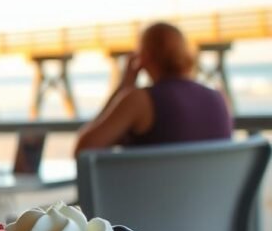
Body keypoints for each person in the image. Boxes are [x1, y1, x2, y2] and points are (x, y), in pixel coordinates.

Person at [75, 22, 233, 154]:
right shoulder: (219, 98)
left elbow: (83, 150)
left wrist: (123, 87)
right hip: (213, 192)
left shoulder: (139, 101)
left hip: (150, 192)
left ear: (144, 57)